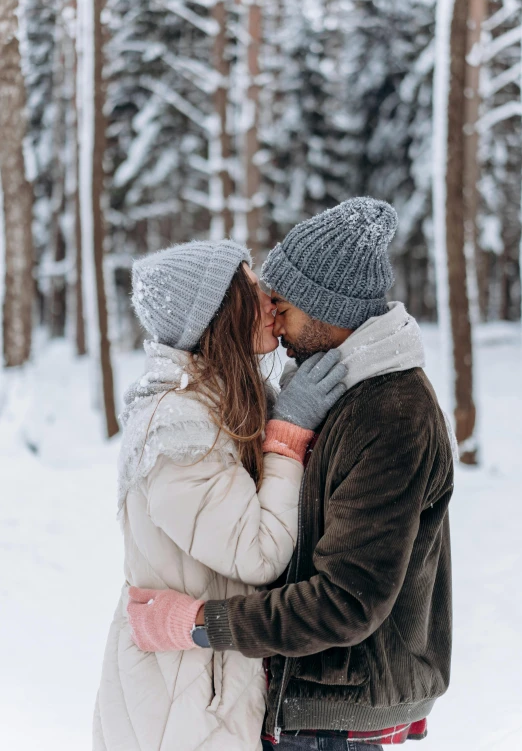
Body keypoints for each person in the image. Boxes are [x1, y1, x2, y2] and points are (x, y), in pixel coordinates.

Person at [128, 198, 455, 751]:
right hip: (309, 701)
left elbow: (346, 602)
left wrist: (201, 624)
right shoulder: (336, 388)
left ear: (324, 308)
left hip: (341, 713)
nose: (272, 319)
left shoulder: (390, 413)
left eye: (281, 304)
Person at [93, 238, 348, 751]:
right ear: (217, 314)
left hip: (209, 681)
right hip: (178, 702)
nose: (270, 298)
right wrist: (289, 432)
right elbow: (256, 552)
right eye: (251, 288)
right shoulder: (178, 425)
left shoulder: (230, 401)